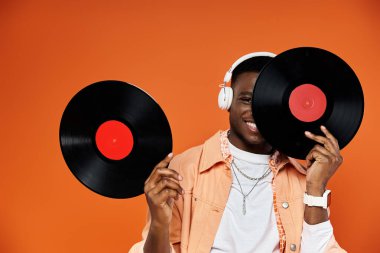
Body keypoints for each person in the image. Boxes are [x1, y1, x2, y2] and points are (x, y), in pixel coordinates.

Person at [129, 52, 346, 253]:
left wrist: (315, 189)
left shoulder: (303, 180)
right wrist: (158, 222)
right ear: (226, 100)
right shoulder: (182, 170)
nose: (257, 113)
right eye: (247, 100)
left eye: (267, 103)